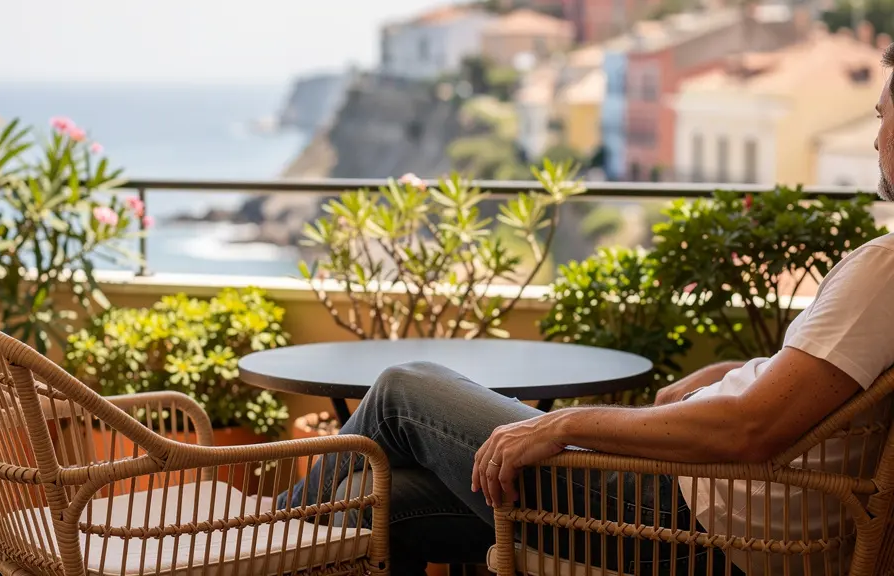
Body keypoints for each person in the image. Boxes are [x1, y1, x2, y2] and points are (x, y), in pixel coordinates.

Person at [281, 46, 894, 576]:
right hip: (727, 516)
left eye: (882, 116)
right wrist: (740, 369)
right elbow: (810, 392)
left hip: (693, 520)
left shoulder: (882, 268)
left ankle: (265, 541)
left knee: (402, 388)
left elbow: (749, 431)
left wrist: (563, 424)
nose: (874, 136)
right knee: (375, 496)